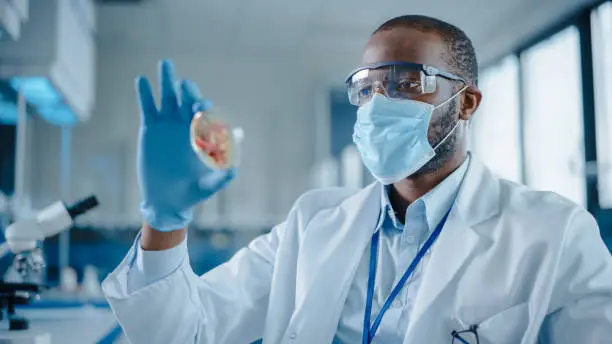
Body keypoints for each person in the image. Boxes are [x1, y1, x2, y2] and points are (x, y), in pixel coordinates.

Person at [102, 15, 612, 344]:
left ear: (467, 103)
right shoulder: (312, 223)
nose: (378, 106)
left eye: (408, 82)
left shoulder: (555, 233)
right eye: (366, 89)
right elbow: (182, 332)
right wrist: (164, 220)